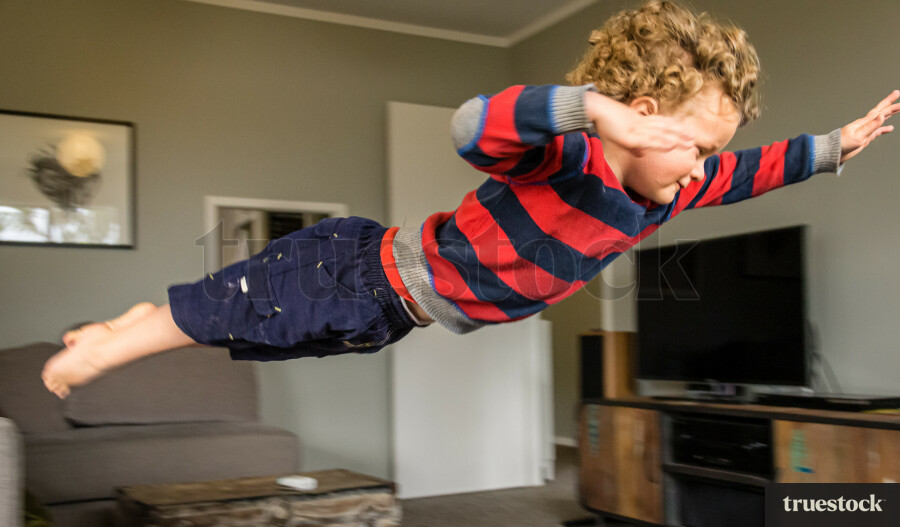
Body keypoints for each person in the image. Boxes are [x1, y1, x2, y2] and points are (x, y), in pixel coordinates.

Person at [42, 0, 899, 399]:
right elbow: (473, 126)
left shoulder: (664, 192)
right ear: (636, 120)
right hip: (359, 270)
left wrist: (832, 149)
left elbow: (755, 168)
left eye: (705, 152)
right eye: (688, 145)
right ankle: (103, 349)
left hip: (388, 314)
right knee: (239, 314)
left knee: (244, 328)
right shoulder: (571, 156)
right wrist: (594, 112)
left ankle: (129, 321)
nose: (698, 166)